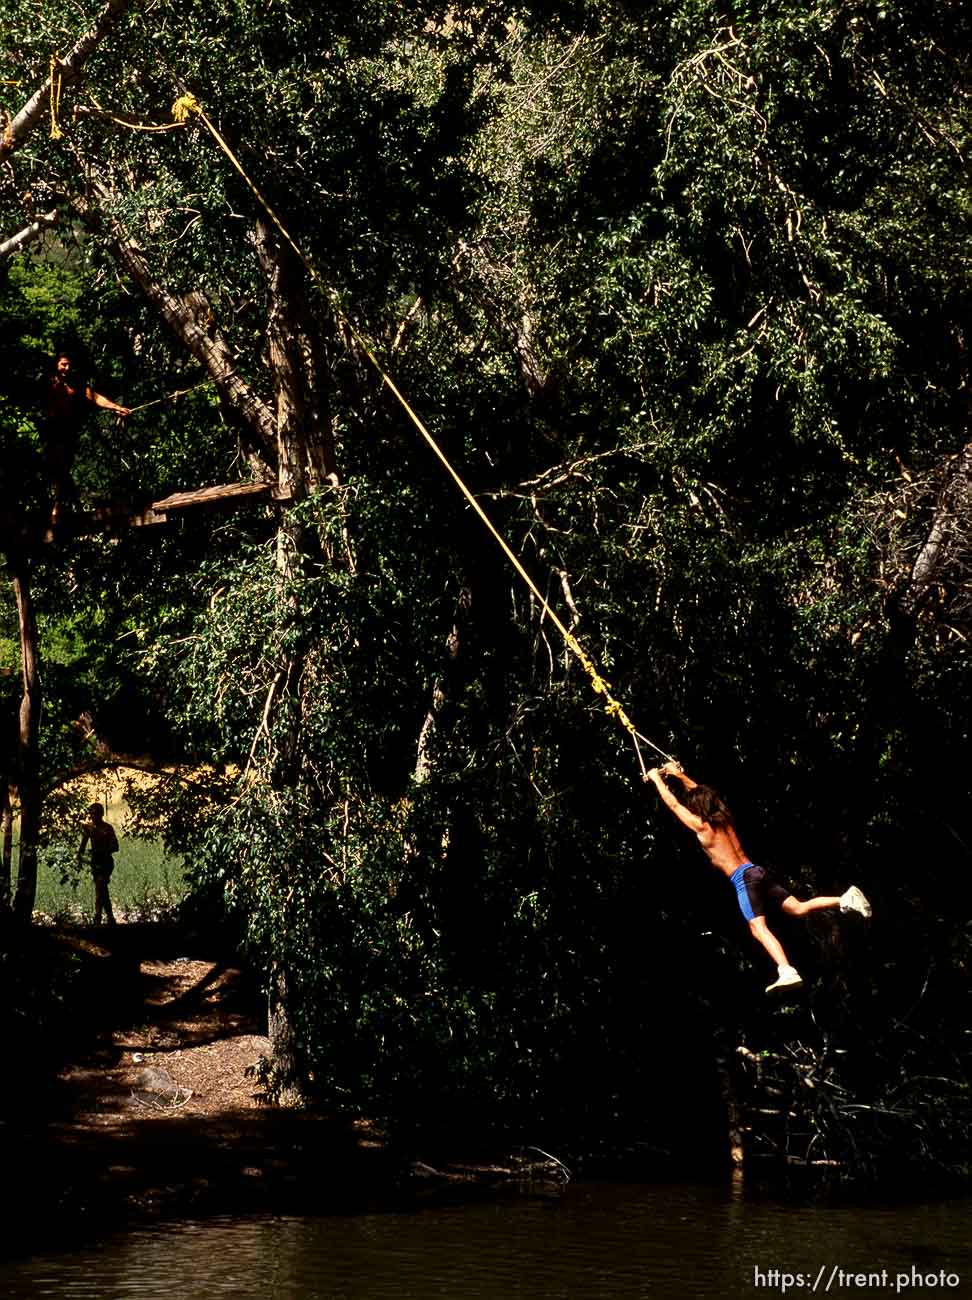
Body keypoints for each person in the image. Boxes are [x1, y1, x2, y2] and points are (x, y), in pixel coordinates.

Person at [644, 762, 871, 992]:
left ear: (696, 807)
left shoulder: (702, 827)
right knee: (797, 908)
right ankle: (844, 899)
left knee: (757, 928)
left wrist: (656, 779)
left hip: (744, 880)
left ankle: (786, 969)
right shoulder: (723, 816)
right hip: (757, 871)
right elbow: (705, 794)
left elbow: (673, 804)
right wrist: (679, 775)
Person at [42, 352, 130, 527]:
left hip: (68, 434)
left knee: (63, 467)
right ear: (56, 365)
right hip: (52, 433)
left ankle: (61, 506)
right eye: (63, 364)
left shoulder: (77, 385)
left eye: (69, 365)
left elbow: (96, 398)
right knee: (57, 469)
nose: (67, 368)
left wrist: (117, 407)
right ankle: (62, 506)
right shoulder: (48, 383)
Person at [78, 802, 120, 925]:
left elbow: (116, 847)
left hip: (106, 862)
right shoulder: (88, 828)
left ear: (101, 814)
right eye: (91, 813)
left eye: (96, 813)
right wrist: (84, 859)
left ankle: (98, 916)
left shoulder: (107, 828)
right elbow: (81, 850)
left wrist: (101, 850)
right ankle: (109, 918)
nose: (93, 816)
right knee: (101, 889)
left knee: (100, 886)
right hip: (95, 863)